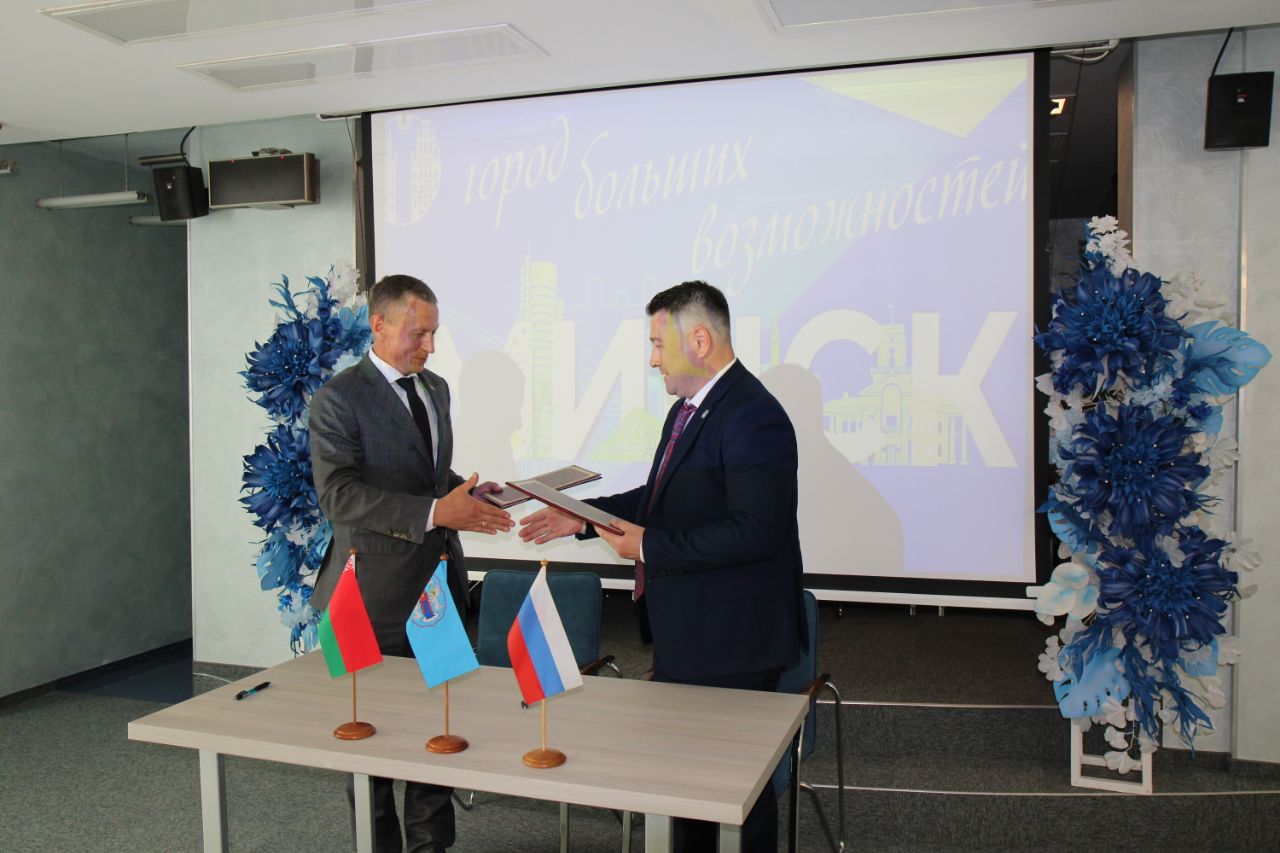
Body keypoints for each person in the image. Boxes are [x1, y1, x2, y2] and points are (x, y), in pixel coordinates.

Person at [519, 280, 806, 853]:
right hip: (690, 635)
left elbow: (757, 530)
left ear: (699, 340)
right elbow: (658, 500)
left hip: (734, 643)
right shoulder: (687, 410)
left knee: (731, 794)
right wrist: (581, 518)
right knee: (685, 788)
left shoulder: (753, 415)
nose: (652, 361)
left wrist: (649, 548)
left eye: (657, 345)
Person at [309, 273, 514, 853]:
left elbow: (427, 474)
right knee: (369, 746)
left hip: (437, 591)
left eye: (434, 333)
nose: (429, 346)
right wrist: (436, 510)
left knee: (438, 733)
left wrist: (469, 494)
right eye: (417, 333)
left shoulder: (436, 388)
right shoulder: (339, 398)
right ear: (378, 325)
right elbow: (338, 496)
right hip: (367, 600)